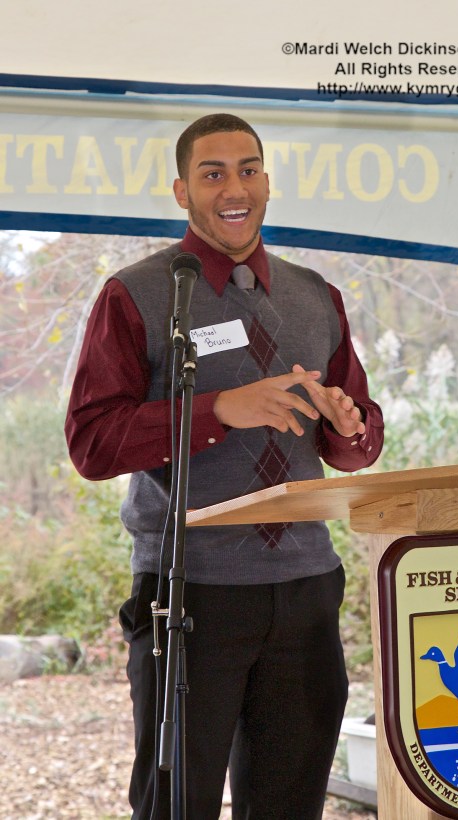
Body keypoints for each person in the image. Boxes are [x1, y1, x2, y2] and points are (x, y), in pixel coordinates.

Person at [65, 113, 383, 820]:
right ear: (182, 192)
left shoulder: (315, 296)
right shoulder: (139, 294)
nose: (233, 188)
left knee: (289, 804)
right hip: (191, 595)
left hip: (305, 591)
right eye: (213, 174)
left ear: (267, 182)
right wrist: (220, 410)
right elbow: (91, 443)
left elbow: (356, 437)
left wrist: (349, 424)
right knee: (176, 805)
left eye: (248, 169)